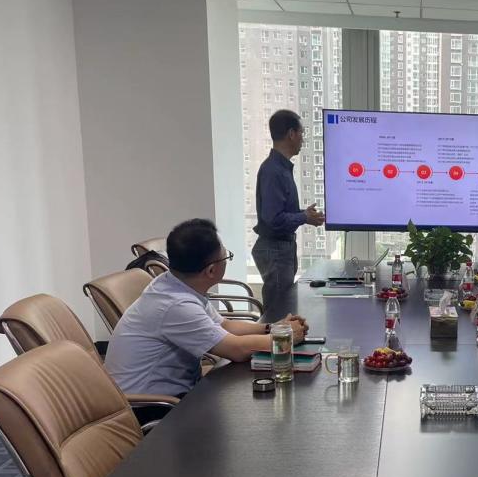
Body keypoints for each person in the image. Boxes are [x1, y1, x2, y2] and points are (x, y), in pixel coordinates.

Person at [105, 219, 308, 397]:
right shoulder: (176, 305)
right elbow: (236, 350)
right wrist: (285, 337)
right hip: (151, 407)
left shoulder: (173, 283)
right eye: (226, 256)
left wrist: (274, 328)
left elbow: (224, 325)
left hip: (178, 393)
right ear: (211, 270)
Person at [253, 109, 325, 305]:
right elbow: (273, 219)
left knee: (284, 305)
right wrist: (304, 217)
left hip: (281, 248)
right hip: (275, 249)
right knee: (279, 310)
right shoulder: (273, 171)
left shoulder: (281, 168)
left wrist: (306, 215)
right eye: (302, 133)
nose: (303, 139)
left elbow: (280, 212)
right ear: (291, 134)